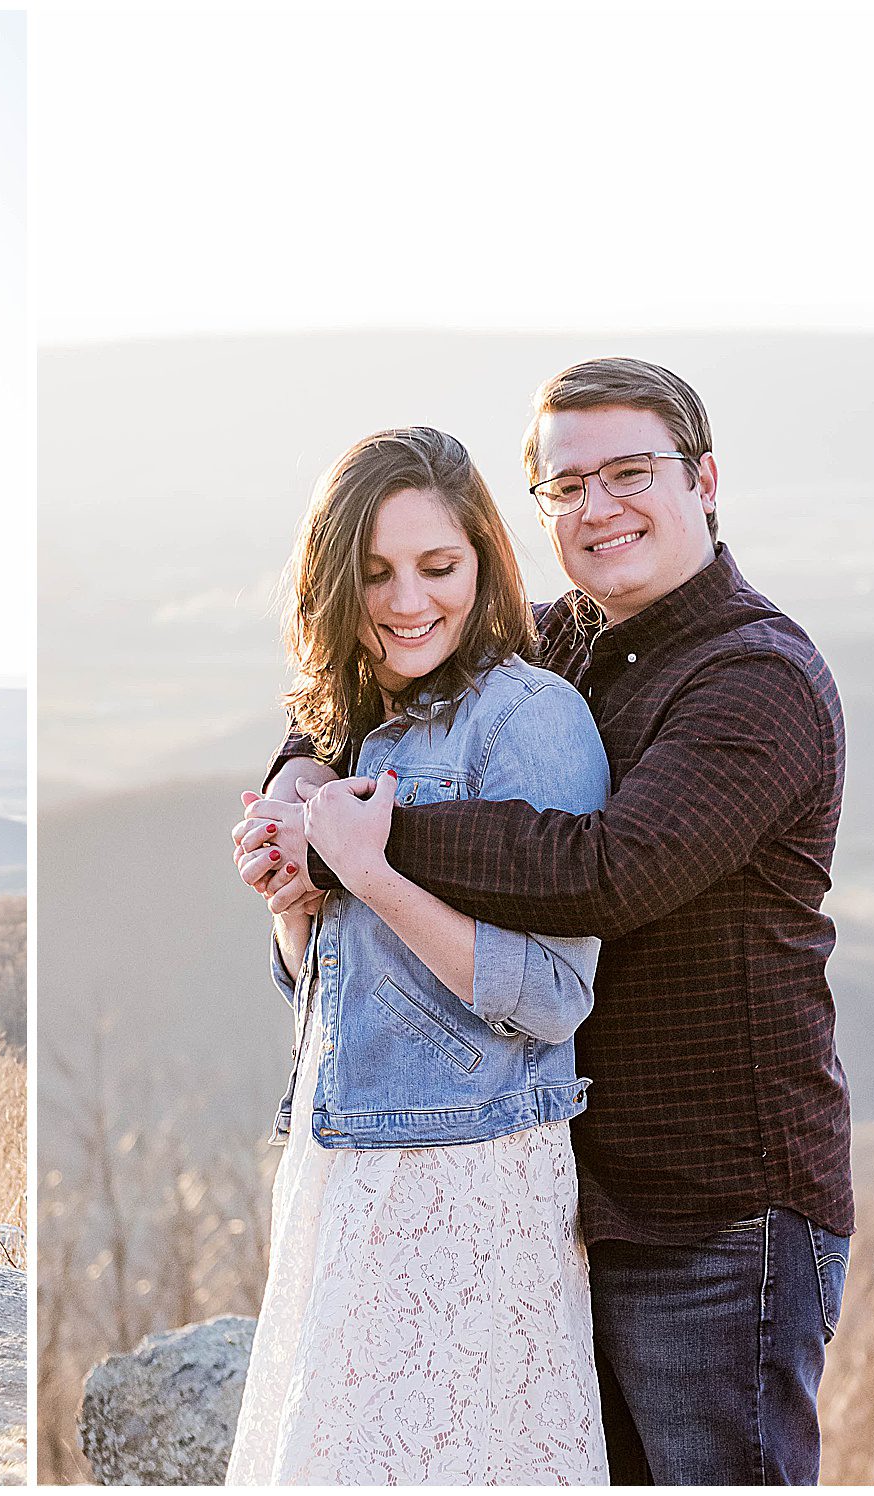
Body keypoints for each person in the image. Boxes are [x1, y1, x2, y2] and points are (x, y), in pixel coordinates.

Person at [243, 359, 851, 1484]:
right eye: (566, 485)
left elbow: (606, 872)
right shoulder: (568, 637)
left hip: (723, 1208)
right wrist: (295, 781)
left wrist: (366, 840)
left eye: (629, 472)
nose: (597, 507)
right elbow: (389, 669)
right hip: (581, 1188)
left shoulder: (752, 679)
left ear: (703, 479)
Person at [224, 426, 611, 1485]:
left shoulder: (530, 719)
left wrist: (370, 871)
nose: (406, 602)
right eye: (375, 573)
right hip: (341, 1166)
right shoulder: (345, 724)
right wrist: (290, 896)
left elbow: (551, 996)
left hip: (470, 1184)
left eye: (437, 567)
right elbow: (335, 986)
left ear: (483, 561)